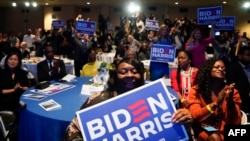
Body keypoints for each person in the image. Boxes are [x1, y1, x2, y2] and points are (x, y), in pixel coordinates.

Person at [63, 58, 193, 141]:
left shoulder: (156, 98)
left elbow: (176, 133)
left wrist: (184, 123)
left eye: (134, 71)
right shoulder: (98, 99)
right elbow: (73, 131)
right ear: (115, 76)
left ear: (141, 76)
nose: (129, 75)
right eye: (123, 72)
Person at [188, 58, 242, 141]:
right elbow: (195, 116)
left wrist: (230, 103)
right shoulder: (196, 90)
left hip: (224, 131)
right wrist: (216, 103)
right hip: (203, 129)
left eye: (223, 68)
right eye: (217, 67)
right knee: (214, 137)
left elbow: (236, 122)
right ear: (208, 70)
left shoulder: (232, 92)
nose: (221, 69)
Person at [226, 47, 250, 121]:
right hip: (241, 101)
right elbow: (232, 85)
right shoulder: (232, 67)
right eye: (248, 55)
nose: (249, 57)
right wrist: (247, 93)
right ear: (240, 56)